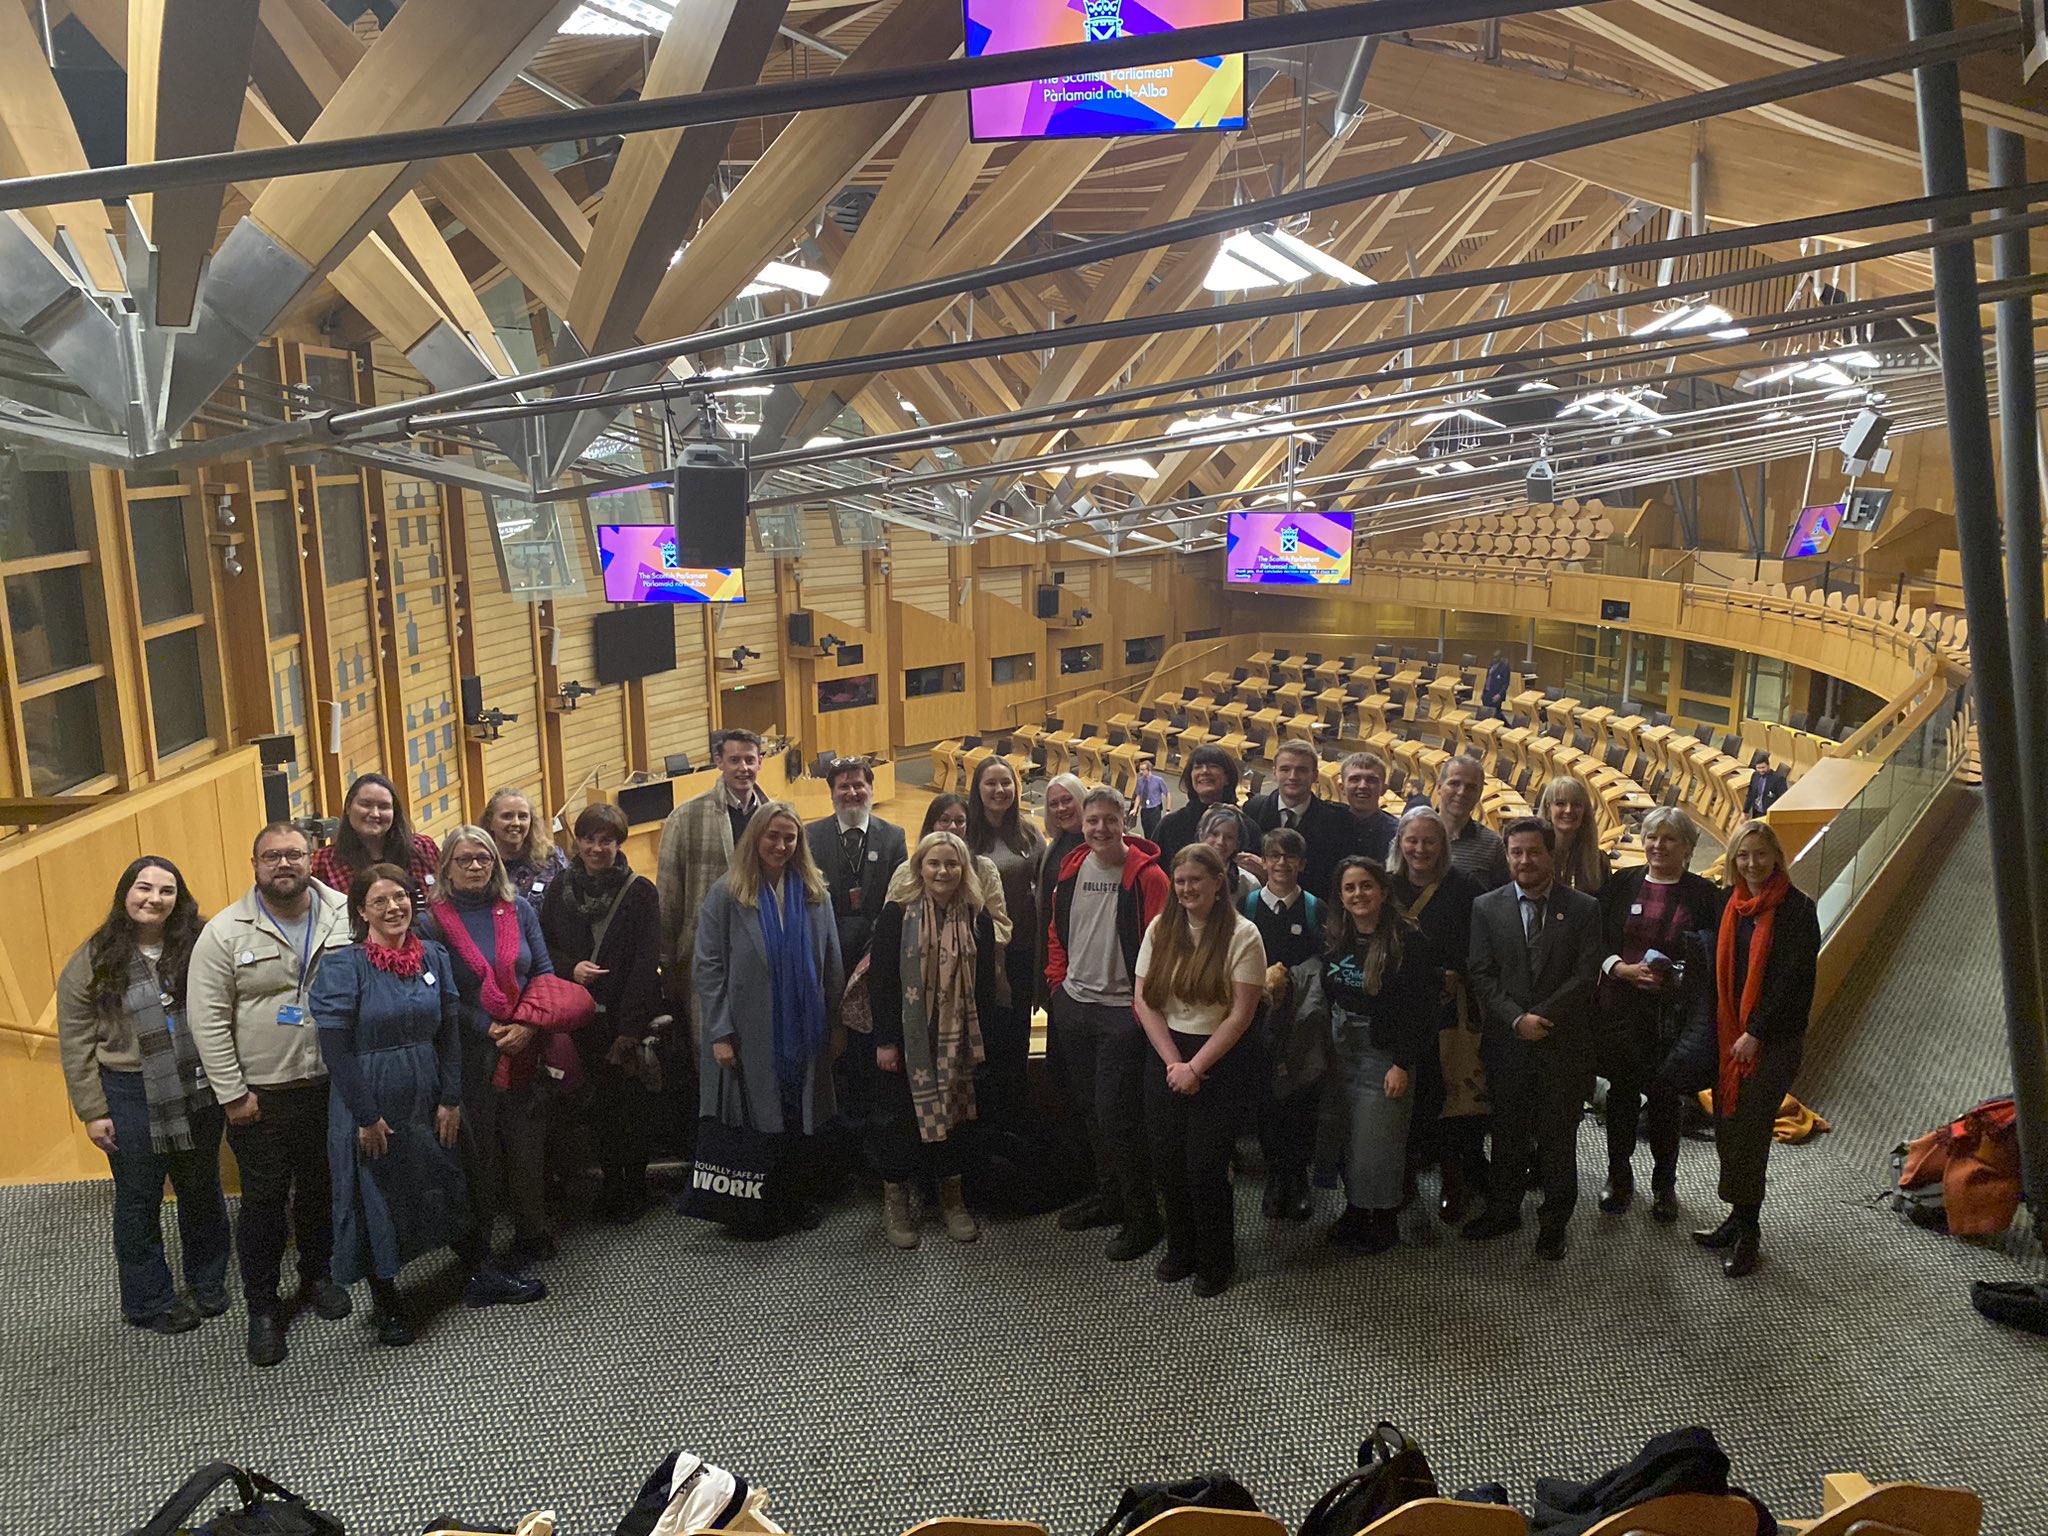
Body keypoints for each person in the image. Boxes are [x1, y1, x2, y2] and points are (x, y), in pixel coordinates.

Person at [313, 864, 539, 1347]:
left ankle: (481, 1272)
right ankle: (387, 1300)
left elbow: (449, 1035)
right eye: (380, 901)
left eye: (400, 897)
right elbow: (335, 1049)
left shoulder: (432, 955)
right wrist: (366, 1115)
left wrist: (451, 1099)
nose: (393, 908)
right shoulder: (342, 966)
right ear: (360, 911)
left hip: (431, 1090)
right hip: (370, 1095)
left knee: (452, 1180)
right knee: (378, 1194)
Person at [186, 822, 354, 1368]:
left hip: (329, 1084)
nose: (284, 864)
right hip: (260, 1095)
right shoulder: (224, 932)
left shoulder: (344, 913)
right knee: (263, 1202)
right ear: (254, 865)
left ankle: (318, 1275)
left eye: (294, 855)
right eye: (271, 857)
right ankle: (263, 1307)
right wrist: (232, 1095)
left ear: (312, 859)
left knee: (321, 1188)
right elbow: (206, 1020)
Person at [57, 857, 231, 1335]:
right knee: (138, 1199)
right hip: (129, 1092)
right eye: (144, 888)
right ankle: (148, 1300)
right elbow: (74, 1039)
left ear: (179, 898)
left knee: (201, 1188)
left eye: (166, 890)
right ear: (125, 894)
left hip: (197, 1086)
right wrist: (93, 1111)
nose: (154, 898)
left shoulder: (201, 943)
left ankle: (208, 1281)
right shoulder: (94, 957)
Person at [695, 802, 845, 1236]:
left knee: (800, 1116)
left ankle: (795, 1201)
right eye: (773, 836)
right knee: (758, 1118)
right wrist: (720, 1032)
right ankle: (758, 1211)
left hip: (806, 1026)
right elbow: (708, 967)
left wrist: (836, 1026)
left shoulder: (816, 891)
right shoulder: (727, 892)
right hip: (748, 1031)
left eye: (790, 837)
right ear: (755, 838)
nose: (781, 845)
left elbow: (831, 962)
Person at [418, 826, 558, 1279]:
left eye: (484, 858)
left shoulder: (517, 909)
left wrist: (528, 1025)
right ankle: (481, 1249)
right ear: (447, 868)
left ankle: (531, 1231)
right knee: (480, 1156)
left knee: (526, 1147)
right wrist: (486, 1024)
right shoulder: (431, 922)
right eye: (464, 860)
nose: (476, 866)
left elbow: (543, 971)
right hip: (468, 1053)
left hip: (524, 1046)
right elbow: (438, 993)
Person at [1463, 817, 1602, 1260]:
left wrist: (1540, 1016)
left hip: (1563, 1043)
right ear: (1507, 856)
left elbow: (1585, 975)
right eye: (1516, 852)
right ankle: (1504, 1209)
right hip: (1508, 1041)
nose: (1525, 860)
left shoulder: (1583, 908)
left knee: (1559, 1138)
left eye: (1533, 852)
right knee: (1507, 1133)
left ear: (1552, 855)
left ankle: (1554, 1222)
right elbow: (1481, 973)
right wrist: (1515, 1019)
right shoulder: (1486, 907)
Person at [1133, 843, 1266, 1296]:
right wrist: (1173, 1062)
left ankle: (1215, 1258)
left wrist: (1195, 1067)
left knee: (1205, 1167)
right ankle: (1181, 1248)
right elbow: (1144, 1001)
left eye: (1196, 880)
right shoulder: (1160, 928)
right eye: (1181, 880)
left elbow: (1241, 1015)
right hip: (1168, 1053)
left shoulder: (1243, 934)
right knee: (1168, 1163)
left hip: (1219, 1058)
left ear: (1217, 884)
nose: (1187, 888)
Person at [1045, 786, 1171, 1259]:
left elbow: (1161, 948)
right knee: (1091, 1114)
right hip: (1076, 1005)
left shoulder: (1149, 876)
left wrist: (1141, 1009)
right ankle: (1111, 1199)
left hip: (1123, 1013)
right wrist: (1058, 985)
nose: (1099, 828)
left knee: (1118, 1118)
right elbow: (1059, 930)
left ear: (1125, 821)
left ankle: (1144, 1217)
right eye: (1092, 820)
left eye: (1108, 820)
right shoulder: (1073, 867)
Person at [1695, 819, 1819, 1278]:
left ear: (1776, 858)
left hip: (1771, 1042)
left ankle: (1750, 1232)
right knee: (1728, 1130)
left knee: (1749, 1134)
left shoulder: (1797, 910)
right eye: (1743, 856)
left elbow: (1794, 983)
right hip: (1730, 1037)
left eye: (1761, 855)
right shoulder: (1730, 905)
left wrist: (1757, 1033)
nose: (1752, 864)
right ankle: (1736, 1217)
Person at [867, 831, 1001, 1249]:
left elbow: (984, 988)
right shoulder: (896, 915)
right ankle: (898, 1202)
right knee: (901, 1121)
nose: (943, 871)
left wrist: (979, 1041)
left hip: (957, 1036)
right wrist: (886, 1040)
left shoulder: (979, 918)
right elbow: (882, 982)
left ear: (964, 870)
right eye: (934, 863)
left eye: (952, 864)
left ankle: (951, 1199)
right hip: (909, 1037)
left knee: (955, 1120)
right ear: (919, 868)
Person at [538, 802, 664, 1224]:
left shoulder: (641, 892)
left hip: (623, 1021)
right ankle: (609, 1185)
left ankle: (635, 1185)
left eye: (606, 840)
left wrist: (628, 1031)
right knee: (598, 1110)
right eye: (588, 838)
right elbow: (542, 949)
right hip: (577, 1021)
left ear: (618, 843)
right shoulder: (559, 889)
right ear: (576, 842)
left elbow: (647, 963)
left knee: (630, 1108)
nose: (596, 847)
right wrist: (569, 969)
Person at [1595, 806, 1722, 1222]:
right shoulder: (1622, 883)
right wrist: (1620, 968)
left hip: (1672, 1016)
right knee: (1621, 1096)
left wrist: (1674, 979)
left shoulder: (1705, 895)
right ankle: (1619, 1175)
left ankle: (1664, 1186)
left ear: (1688, 847)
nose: (1657, 845)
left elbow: (1712, 958)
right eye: (1652, 836)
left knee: (1667, 1101)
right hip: (1619, 1008)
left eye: (1669, 838)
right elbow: (1595, 938)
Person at [1320, 857, 1430, 1255]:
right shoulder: (1336, 935)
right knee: (1348, 1136)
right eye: (1349, 888)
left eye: (1366, 886)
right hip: (1341, 1048)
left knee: (1379, 1143)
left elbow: (1422, 1010)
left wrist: (1402, 1063)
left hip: (1385, 1053)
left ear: (1383, 892)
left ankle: (1383, 1219)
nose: (1358, 894)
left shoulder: (1407, 940)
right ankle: (1355, 1209)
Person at [1387, 806, 1489, 1224]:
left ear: (1443, 845)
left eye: (1429, 841)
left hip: (1447, 1009)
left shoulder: (1464, 888)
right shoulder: (1387, 884)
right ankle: (1406, 1175)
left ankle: (1453, 1178)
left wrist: (1456, 974)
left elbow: (1478, 947)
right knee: (1405, 1097)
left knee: (1450, 1096)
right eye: (1412, 840)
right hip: (1400, 1007)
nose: (1420, 848)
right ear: (1400, 844)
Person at [1243, 828, 1323, 1221]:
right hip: (1259, 1022)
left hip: (1302, 1023)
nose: (1281, 864)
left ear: (1302, 864)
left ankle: (1298, 1177)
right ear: (1263, 860)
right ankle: (1276, 1177)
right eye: (1274, 856)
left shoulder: (1314, 908)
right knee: (1267, 1101)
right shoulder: (1248, 905)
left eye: (1290, 857)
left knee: (1302, 1100)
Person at [656, 728, 767, 996]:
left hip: (761, 949)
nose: (743, 768)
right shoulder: (684, 818)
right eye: (734, 760)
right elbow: (668, 896)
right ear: (719, 762)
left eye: (750, 760)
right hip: (704, 952)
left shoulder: (774, 818)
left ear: (760, 762)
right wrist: (665, 959)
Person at [966, 757, 1046, 1125]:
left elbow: (1044, 892)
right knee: (984, 1038)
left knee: (1016, 1039)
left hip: (1020, 952)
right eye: (991, 783)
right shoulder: (964, 835)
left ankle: (1014, 1122)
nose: (1000, 790)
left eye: (1006, 783)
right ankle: (986, 1120)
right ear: (977, 789)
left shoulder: (1029, 834)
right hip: (978, 958)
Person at [806, 757, 908, 972]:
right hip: (826, 948)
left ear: (871, 789)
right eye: (843, 786)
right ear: (831, 793)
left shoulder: (893, 837)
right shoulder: (810, 837)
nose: (852, 793)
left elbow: (899, 897)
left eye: (859, 785)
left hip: (878, 947)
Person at [310, 772, 442, 906]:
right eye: (365, 804)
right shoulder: (322, 862)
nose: (374, 813)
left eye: (384, 806)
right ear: (348, 807)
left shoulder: (424, 848)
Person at [1247, 739, 1351, 901]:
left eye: (1301, 770)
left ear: (1315, 775)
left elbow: (1336, 878)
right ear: (1274, 773)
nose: (1293, 776)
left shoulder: (1338, 821)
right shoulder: (1252, 810)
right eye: (1285, 769)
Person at [1152, 745, 1255, 864]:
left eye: (1213, 766)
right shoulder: (1170, 825)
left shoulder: (1246, 827)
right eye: (1198, 767)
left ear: (1227, 778)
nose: (1204, 771)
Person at [1436, 754, 1510, 891]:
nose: (1462, 792)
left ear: (1480, 793)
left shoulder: (1492, 844)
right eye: (1454, 783)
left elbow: (1501, 899)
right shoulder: (1413, 835)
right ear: (1439, 787)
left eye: (1471, 787)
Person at [484, 787, 568, 906]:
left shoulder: (552, 858)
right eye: (507, 816)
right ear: (490, 822)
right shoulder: (482, 865)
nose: (516, 823)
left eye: (523, 816)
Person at [1537, 776, 1611, 896]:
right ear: (1547, 809)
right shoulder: (1532, 857)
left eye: (1576, 805)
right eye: (1560, 803)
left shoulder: (1599, 862)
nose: (1568, 810)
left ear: (1585, 812)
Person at [1336, 751, 1400, 872]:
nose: (1363, 786)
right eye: (1355, 779)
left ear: (1384, 789)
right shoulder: (1326, 826)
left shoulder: (1397, 834)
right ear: (1342, 788)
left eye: (1371, 780)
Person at [1200, 804, 1262, 903]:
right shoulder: (1185, 875)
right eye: (1214, 834)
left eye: (1229, 837)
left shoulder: (1248, 883)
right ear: (1201, 835)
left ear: (1237, 843)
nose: (1220, 842)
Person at [1132, 753, 1170, 840]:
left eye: (1142, 770)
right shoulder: (1140, 781)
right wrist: (1135, 808)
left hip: (1154, 809)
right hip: (1144, 809)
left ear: (1149, 770)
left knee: (1154, 831)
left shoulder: (1158, 781)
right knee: (1146, 829)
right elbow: (1138, 796)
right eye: (1140, 770)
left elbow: (1167, 794)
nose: (1140, 772)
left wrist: (1168, 810)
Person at [1743, 752, 1789, 817]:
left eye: (1763, 767)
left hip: (1769, 814)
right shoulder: (1755, 775)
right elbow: (1751, 794)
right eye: (1758, 768)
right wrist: (1745, 811)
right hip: (1756, 812)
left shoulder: (1778, 779)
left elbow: (1783, 798)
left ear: (1768, 766)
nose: (1761, 770)